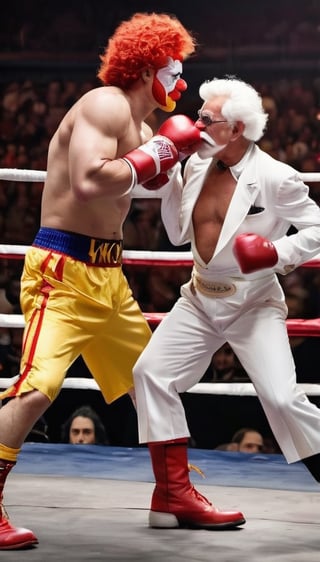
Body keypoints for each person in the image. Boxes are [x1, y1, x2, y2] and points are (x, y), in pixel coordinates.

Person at [0, 12, 201, 549]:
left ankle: (174, 495)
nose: (180, 83)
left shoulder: (141, 127)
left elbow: (153, 189)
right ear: (145, 68)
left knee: (152, 381)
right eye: (174, 70)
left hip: (110, 276)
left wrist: (185, 156)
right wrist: (154, 154)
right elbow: (90, 181)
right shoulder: (105, 104)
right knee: (38, 388)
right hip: (63, 274)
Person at [132, 75, 320, 530]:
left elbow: (317, 228)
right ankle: (172, 496)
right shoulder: (196, 163)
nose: (195, 125)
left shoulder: (275, 175)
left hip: (252, 301)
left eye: (206, 119)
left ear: (236, 129)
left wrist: (278, 253)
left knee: (281, 397)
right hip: (199, 297)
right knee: (150, 373)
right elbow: (178, 234)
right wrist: (171, 171)